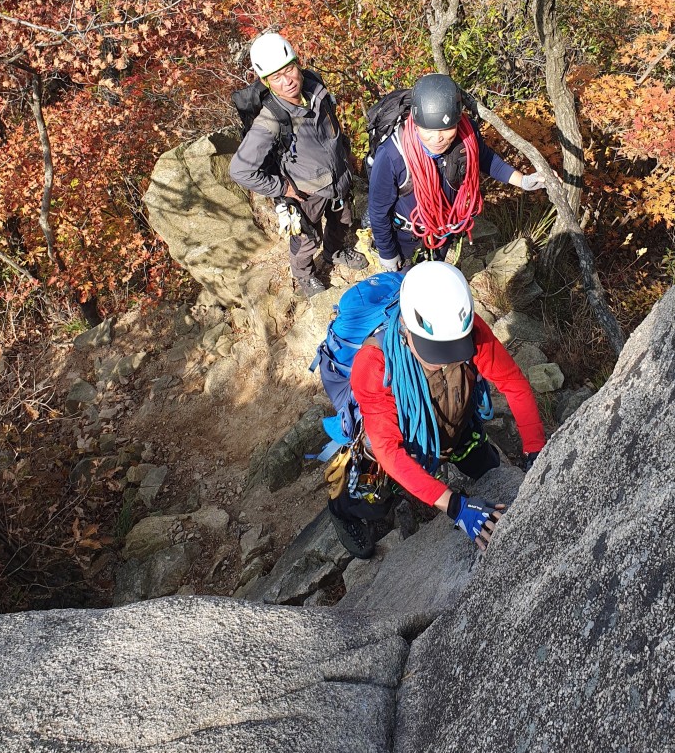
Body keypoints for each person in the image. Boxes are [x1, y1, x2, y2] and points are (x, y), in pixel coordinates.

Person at [328, 259, 546, 558]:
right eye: (435, 352)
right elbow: (389, 451)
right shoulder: (374, 363)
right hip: (401, 439)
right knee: (372, 502)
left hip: (456, 422)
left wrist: (535, 451)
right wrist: (454, 506)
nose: (444, 360)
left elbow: (512, 383)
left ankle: (456, 451)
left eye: (452, 350)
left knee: (484, 466)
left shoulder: (463, 328)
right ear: (406, 328)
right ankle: (342, 509)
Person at [229, 33, 367, 297]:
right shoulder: (271, 120)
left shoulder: (317, 89)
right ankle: (305, 275)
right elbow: (240, 170)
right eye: (276, 77)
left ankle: (335, 252)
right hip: (305, 191)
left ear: (297, 63)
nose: (288, 81)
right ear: (266, 82)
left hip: (338, 178)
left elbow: (332, 127)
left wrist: (345, 153)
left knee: (343, 221)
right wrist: (281, 187)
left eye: (290, 69)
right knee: (306, 240)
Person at [368, 73, 547, 271]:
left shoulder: (466, 133)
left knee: (435, 275)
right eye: (428, 130)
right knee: (409, 291)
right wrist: (387, 252)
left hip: (443, 231)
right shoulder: (392, 154)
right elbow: (378, 210)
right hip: (406, 240)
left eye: (446, 129)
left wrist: (522, 181)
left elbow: (485, 158)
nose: (438, 138)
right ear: (415, 121)